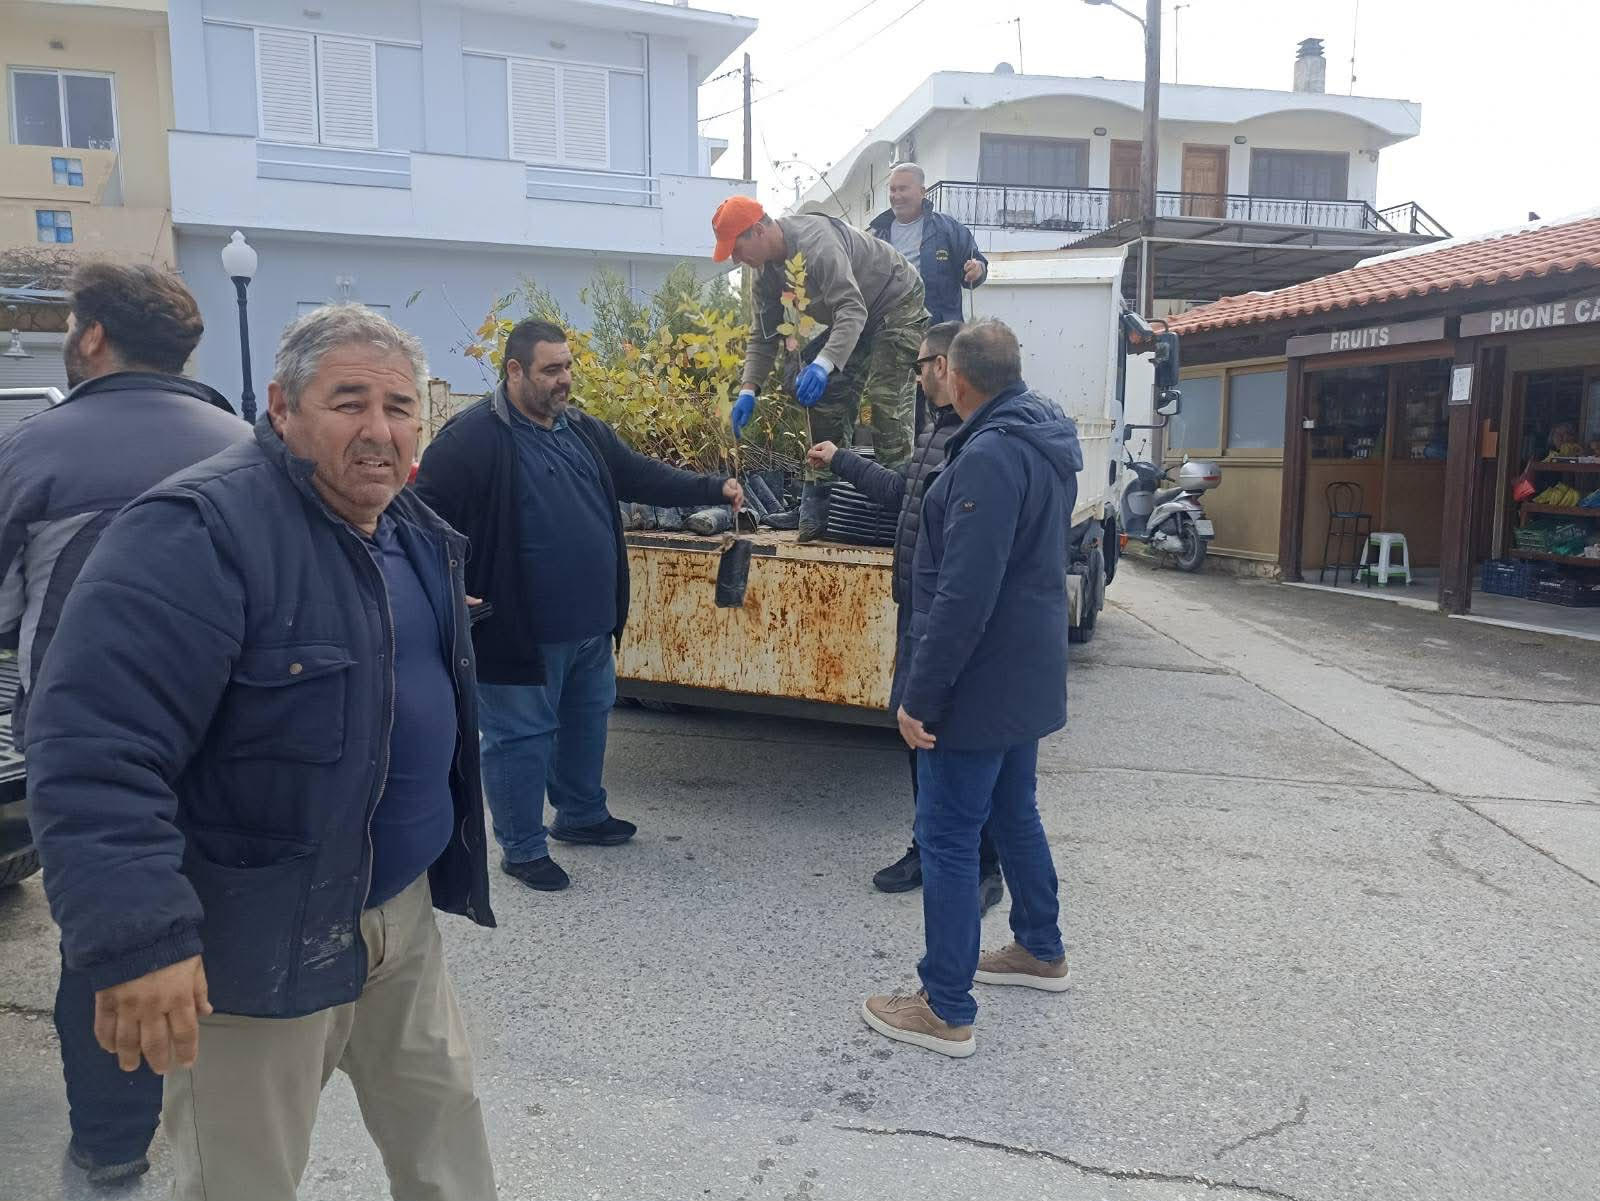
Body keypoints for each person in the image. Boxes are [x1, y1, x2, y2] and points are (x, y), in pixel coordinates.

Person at [24, 305, 499, 1199]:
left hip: (399, 921)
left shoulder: (409, 528)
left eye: (400, 408)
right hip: (251, 943)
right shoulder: (196, 532)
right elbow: (96, 750)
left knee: (449, 1153)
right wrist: (141, 942)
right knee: (241, 1183)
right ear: (281, 407)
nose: (379, 429)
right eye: (348, 402)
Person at [0, 263, 246, 1187]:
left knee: (104, 936)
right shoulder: (248, 448)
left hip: (84, 747)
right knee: (224, 916)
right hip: (230, 744)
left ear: (93, 335)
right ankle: (227, 1129)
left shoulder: (32, 452)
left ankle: (110, 1155)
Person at [414, 320, 742, 893]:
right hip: (517, 629)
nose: (564, 379)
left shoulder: (581, 429)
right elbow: (421, 516)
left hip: (591, 623)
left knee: (586, 721)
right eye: (551, 370)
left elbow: (637, 474)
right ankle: (522, 848)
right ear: (514, 371)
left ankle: (582, 815)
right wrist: (442, 582)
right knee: (520, 738)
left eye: (568, 366)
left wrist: (711, 488)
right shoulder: (472, 439)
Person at [860, 319, 1083, 1059]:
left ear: (957, 378)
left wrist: (920, 696)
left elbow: (963, 594)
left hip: (980, 683)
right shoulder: (1041, 437)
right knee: (1014, 811)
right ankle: (1040, 947)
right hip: (1022, 674)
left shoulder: (988, 455)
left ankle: (945, 1006)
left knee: (949, 837)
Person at [807, 321, 1002, 911]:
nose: (915, 377)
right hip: (916, 610)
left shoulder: (975, 441)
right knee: (917, 739)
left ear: (944, 366)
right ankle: (927, 847)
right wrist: (841, 460)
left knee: (954, 740)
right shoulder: (936, 431)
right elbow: (903, 498)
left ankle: (983, 865)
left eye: (919, 366)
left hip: (946, 616)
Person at [713, 196, 928, 541]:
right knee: (825, 399)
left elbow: (851, 309)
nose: (736, 259)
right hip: (856, 315)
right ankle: (817, 508)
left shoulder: (816, 243)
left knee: (885, 401)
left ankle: (902, 515)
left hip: (895, 299)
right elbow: (763, 337)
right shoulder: (765, 272)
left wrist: (823, 365)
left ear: (758, 231)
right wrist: (748, 390)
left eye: (737, 249)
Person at [867, 163, 988, 325]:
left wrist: (977, 269)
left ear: (922, 192)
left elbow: (976, 267)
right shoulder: (877, 236)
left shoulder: (948, 229)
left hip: (939, 332)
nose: (896, 195)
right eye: (893, 190)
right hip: (890, 332)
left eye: (903, 189)